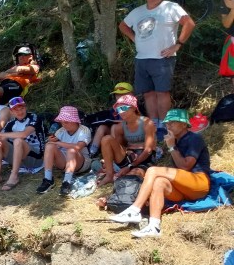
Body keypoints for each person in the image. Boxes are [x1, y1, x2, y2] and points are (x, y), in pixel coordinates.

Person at [108, 109, 211, 238]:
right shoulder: (175, 140)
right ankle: (154, 226)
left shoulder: (194, 138)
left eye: (172, 122)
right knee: (159, 182)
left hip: (199, 183)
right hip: (184, 188)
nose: (168, 126)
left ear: (184, 125)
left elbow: (185, 166)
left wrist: (172, 147)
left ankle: (134, 210)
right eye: (167, 123)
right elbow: (178, 171)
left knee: (152, 170)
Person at [118, 0, 195, 126]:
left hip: (162, 58)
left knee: (162, 92)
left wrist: (178, 44)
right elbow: (123, 26)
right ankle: (154, 124)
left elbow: (189, 23)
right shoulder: (137, 11)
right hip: (141, 58)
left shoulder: (171, 7)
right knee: (147, 93)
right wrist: (135, 38)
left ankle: (165, 125)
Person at [0, 96, 45, 190]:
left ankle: (14, 176)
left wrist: (0, 135)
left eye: (22, 108)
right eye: (16, 110)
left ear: (26, 108)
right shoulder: (11, 122)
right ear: (11, 112)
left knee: (18, 140)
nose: (20, 112)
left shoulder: (34, 117)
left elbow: (24, 134)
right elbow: (2, 137)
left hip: (36, 158)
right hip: (19, 158)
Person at [96, 94, 157, 186]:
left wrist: (130, 166)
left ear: (133, 108)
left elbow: (148, 150)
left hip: (145, 158)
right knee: (106, 139)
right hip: (130, 156)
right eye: (119, 110)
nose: (121, 112)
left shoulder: (147, 123)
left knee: (130, 179)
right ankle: (109, 175)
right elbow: (119, 147)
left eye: (124, 108)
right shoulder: (119, 127)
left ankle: (123, 173)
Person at [36, 106, 92, 196]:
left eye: (66, 122)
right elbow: (52, 144)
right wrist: (51, 141)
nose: (64, 125)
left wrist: (59, 143)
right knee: (49, 146)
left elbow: (78, 147)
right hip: (65, 162)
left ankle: (67, 182)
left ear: (74, 121)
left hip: (81, 163)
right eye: (62, 122)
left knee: (71, 150)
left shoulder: (84, 130)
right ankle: (48, 179)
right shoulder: (60, 131)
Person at [86, 82, 135, 157]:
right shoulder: (115, 108)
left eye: (122, 94)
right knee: (102, 127)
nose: (119, 97)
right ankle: (92, 153)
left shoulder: (134, 105)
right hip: (116, 133)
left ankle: (115, 153)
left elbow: (137, 121)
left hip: (130, 134)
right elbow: (113, 118)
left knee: (114, 127)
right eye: (117, 94)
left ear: (130, 94)